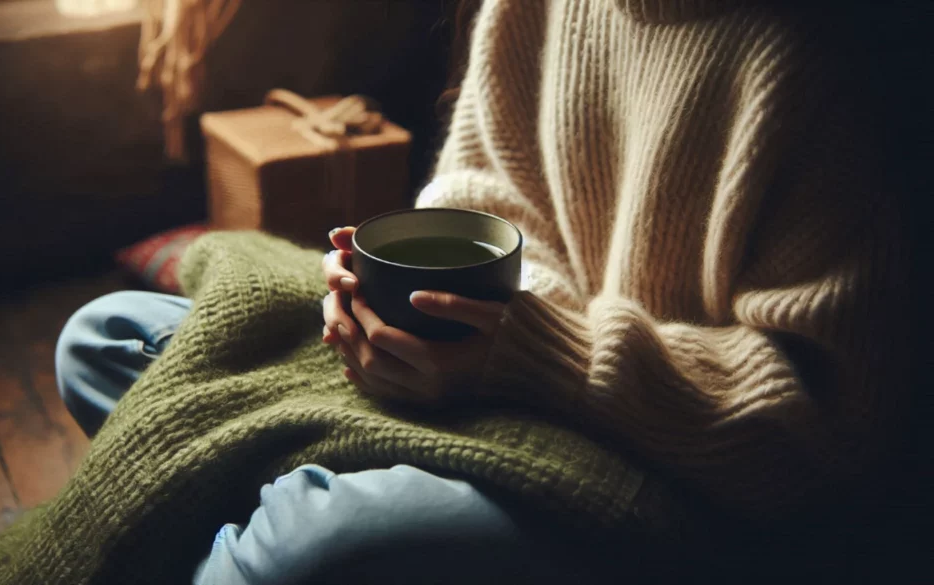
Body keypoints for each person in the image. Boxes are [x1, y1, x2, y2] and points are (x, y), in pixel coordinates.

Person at [57, 0, 906, 582]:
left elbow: (823, 430)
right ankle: (302, 488)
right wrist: (402, 319)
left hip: (664, 472)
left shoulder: (815, 67)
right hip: (494, 389)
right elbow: (478, 198)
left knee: (310, 532)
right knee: (104, 338)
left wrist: (537, 355)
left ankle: (288, 496)